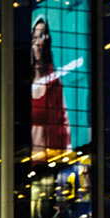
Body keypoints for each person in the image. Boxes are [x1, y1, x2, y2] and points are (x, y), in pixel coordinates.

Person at [29, 15, 81, 160]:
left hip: (52, 161)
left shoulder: (55, 84)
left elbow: (65, 123)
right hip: (29, 162)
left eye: (42, 37)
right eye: (35, 38)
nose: (38, 43)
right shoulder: (26, 84)